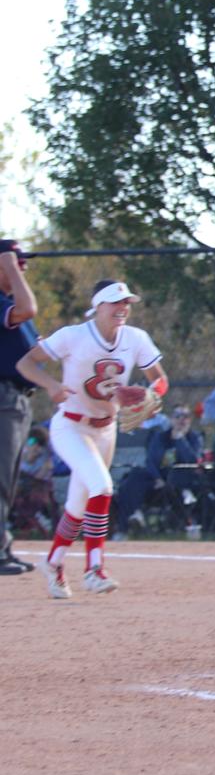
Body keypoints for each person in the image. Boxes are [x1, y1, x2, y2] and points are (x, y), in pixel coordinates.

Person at [13, 279, 168, 596]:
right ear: (98, 306)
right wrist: (51, 386)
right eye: (115, 302)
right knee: (103, 487)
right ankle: (94, 569)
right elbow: (26, 363)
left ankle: (54, 562)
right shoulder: (73, 335)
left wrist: (152, 396)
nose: (122, 308)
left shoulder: (136, 338)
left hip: (105, 429)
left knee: (78, 506)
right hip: (71, 426)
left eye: (126, 302)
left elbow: (160, 379)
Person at [0, 237, 42, 575]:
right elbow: (28, 309)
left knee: (9, 479)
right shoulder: (6, 303)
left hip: (17, 399)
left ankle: (3, 547)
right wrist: (8, 265)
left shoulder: (10, 301)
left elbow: (39, 351)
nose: (23, 265)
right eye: (17, 260)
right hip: (2, 397)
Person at [112, 404, 205, 536]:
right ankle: (129, 520)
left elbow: (193, 460)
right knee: (135, 476)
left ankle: (188, 525)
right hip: (158, 481)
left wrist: (180, 439)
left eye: (185, 417)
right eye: (177, 416)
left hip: (179, 482)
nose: (181, 420)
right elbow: (151, 460)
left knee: (171, 479)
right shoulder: (161, 437)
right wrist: (157, 478)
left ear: (190, 420)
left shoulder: (194, 438)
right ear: (171, 419)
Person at [11, 424, 56, 538]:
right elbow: (26, 461)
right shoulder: (27, 445)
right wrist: (31, 452)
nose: (33, 444)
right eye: (31, 441)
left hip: (37, 485)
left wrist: (40, 454)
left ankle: (39, 529)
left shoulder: (47, 454)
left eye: (37, 442)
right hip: (22, 480)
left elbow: (43, 475)